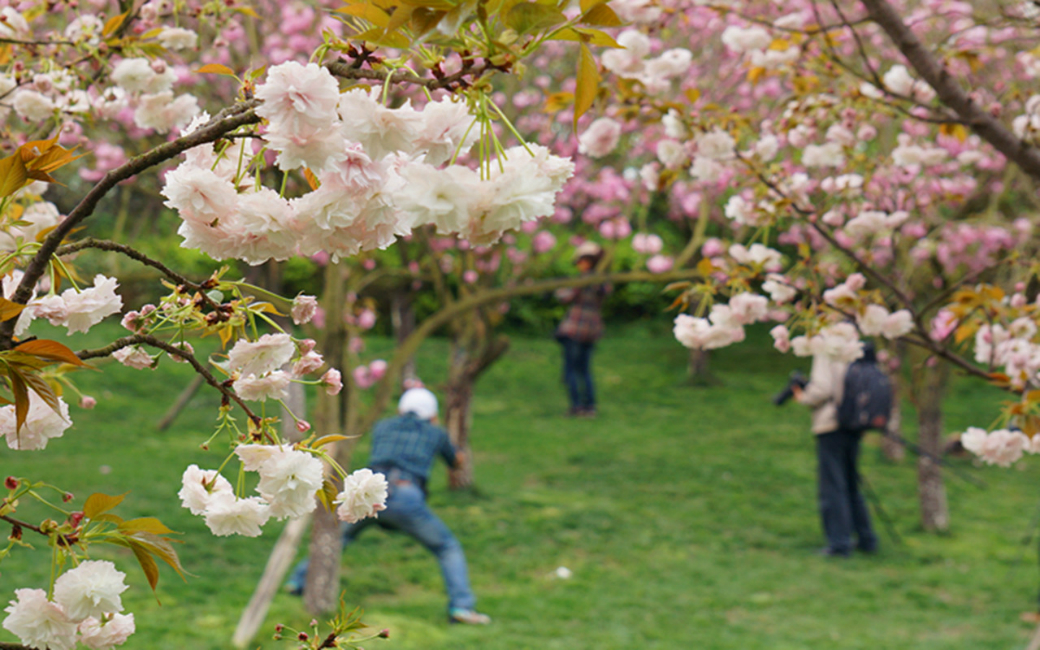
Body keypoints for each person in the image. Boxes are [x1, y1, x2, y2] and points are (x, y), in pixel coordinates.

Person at [287, 388, 491, 625]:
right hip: (406, 496)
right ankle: (462, 607)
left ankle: (298, 581)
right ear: (432, 416)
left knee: (335, 538)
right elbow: (455, 462)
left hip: (369, 493)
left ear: (400, 410)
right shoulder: (436, 433)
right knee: (447, 547)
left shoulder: (382, 426)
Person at [793, 343, 879, 558]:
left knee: (833, 485)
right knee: (851, 483)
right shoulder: (857, 343)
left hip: (831, 423)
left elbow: (822, 388)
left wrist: (804, 397)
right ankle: (866, 539)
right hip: (856, 421)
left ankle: (839, 543)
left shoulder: (828, 346)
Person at [554, 241, 608, 417]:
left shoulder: (583, 279)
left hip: (575, 328)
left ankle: (576, 406)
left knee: (571, 369)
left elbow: (566, 296)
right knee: (585, 370)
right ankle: (590, 406)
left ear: (587, 261)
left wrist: (558, 290)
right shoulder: (602, 281)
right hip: (592, 329)